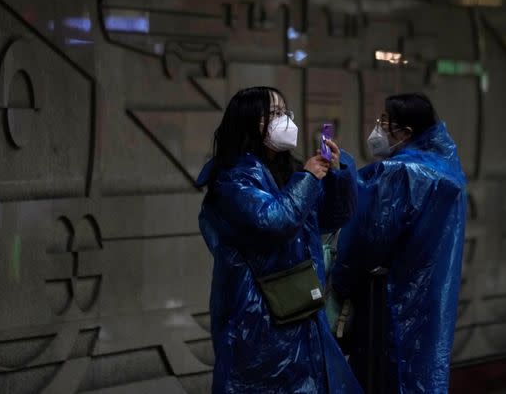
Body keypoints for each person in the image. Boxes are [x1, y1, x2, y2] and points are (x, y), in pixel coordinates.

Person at [196, 86, 362, 394]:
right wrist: (309, 178)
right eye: (274, 114)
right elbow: (273, 221)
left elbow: (330, 217)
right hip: (257, 314)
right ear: (249, 121)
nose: (284, 120)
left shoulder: (288, 170)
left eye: (285, 112)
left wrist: (337, 175)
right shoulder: (233, 177)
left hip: (299, 303)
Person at [330, 93, 467, 394]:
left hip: (388, 299)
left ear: (406, 133)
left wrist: (340, 279)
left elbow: (368, 236)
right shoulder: (447, 170)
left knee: (383, 377)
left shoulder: (401, 173)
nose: (377, 129)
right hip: (429, 298)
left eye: (384, 123)